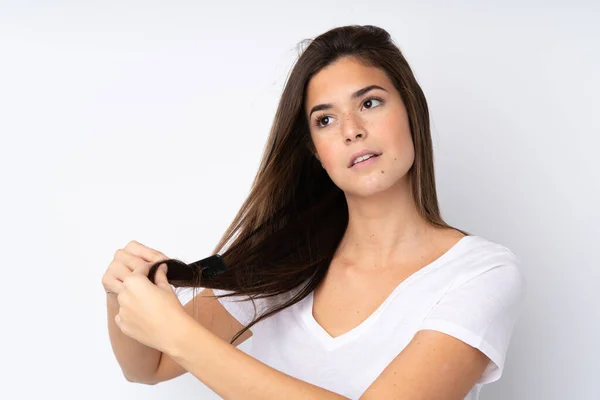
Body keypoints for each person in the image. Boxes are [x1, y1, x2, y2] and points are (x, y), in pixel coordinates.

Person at [103, 24, 526, 399]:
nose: (351, 130)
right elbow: (147, 368)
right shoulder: (283, 267)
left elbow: (173, 345)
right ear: (315, 152)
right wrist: (121, 292)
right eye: (324, 120)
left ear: (411, 110)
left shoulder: (479, 273)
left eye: (370, 103)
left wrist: (180, 335)